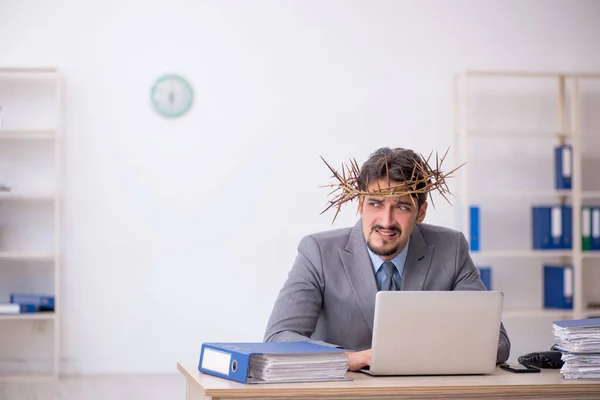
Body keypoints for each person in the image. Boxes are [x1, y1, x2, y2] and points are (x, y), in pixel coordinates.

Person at [263, 147, 510, 371]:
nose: (387, 221)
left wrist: (418, 356)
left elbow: (496, 343)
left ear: (420, 212)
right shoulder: (317, 252)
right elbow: (278, 338)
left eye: (402, 206)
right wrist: (348, 358)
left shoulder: (451, 248)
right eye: (375, 204)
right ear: (360, 205)